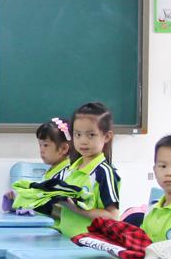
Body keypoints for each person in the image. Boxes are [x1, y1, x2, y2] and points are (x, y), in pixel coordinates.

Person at [50, 101, 122, 238]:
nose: (83, 141)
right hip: (66, 241)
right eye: (77, 134)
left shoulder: (104, 173)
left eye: (91, 135)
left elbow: (112, 216)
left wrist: (77, 209)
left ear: (106, 136)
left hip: (90, 247)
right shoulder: (70, 169)